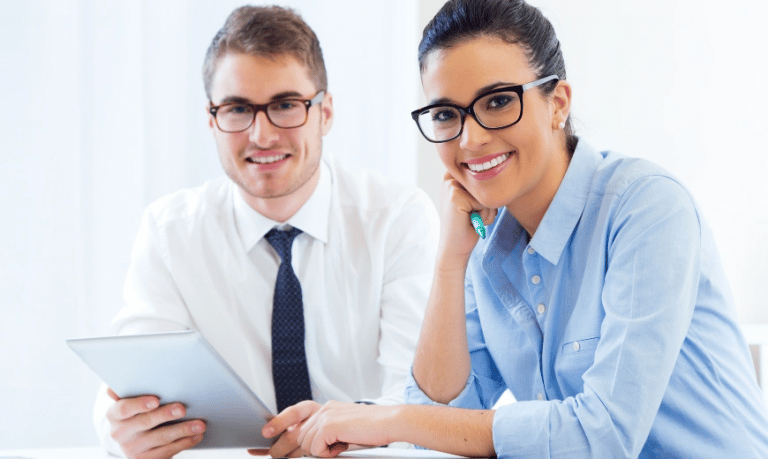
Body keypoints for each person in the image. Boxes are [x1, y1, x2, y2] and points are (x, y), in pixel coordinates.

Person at [263, 0, 768, 457]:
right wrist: (449, 261)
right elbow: (444, 421)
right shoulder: (485, 242)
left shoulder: (648, 208)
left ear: (559, 103)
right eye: (446, 114)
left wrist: (389, 419)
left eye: (499, 101)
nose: (472, 138)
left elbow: (603, 436)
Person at [92, 5, 439, 459]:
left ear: (325, 112)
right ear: (212, 119)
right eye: (237, 109)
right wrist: (117, 425)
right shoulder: (169, 231)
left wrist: (352, 429)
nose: (262, 134)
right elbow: (133, 378)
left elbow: (419, 397)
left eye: (285, 105)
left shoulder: (397, 218)